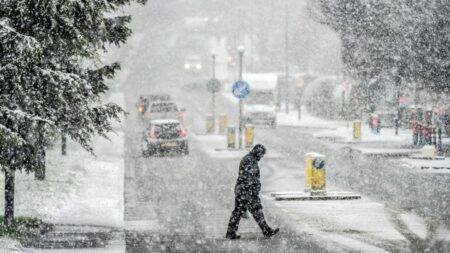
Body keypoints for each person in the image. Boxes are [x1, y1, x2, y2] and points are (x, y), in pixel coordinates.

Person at [225, 144, 279, 239]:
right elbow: (249, 178)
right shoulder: (250, 161)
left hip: (243, 191)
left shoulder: (249, 159)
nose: (262, 157)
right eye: (261, 155)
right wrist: (252, 192)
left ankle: (231, 232)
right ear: (258, 153)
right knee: (255, 211)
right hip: (247, 192)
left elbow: (248, 177)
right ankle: (266, 231)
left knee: (240, 212)